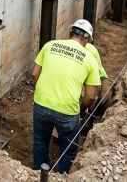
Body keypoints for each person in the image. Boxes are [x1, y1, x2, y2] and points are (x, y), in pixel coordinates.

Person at [31, 19, 101, 173]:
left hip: (41, 103)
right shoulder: (90, 59)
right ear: (86, 40)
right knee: (68, 147)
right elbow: (90, 96)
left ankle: (37, 173)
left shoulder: (50, 45)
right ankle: (61, 176)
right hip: (67, 111)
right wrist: (81, 109)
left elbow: (35, 73)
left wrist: (42, 91)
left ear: (70, 33)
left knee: (40, 141)